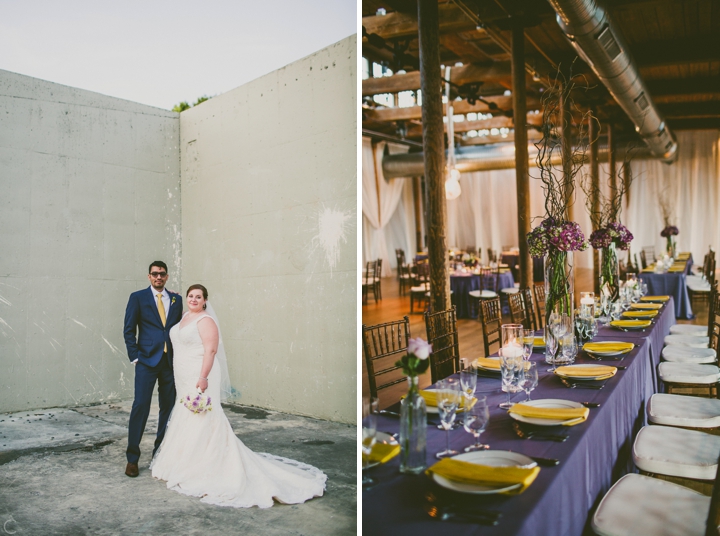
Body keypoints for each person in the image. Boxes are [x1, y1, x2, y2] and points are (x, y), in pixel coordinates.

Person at [150, 284, 326, 508]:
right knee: (186, 415)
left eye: (198, 297)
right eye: (190, 296)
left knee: (203, 416)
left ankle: (206, 464)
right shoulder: (185, 316)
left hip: (200, 374)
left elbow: (211, 350)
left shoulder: (206, 321)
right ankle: (184, 460)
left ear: (205, 301)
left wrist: (203, 377)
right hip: (183, 376)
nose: (194, 299)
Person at [123, 261, 183, 478]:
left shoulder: (176, 299)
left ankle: (160, 453)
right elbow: (129, 329)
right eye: (155, 274)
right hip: (146, 362)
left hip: (170, 364)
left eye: (162, 274)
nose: (159, 277)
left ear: (167, 277)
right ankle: (132, 458)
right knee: (141, 407)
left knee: (168, 409)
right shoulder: (137, 297)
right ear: (149, 276)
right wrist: (135, 357)